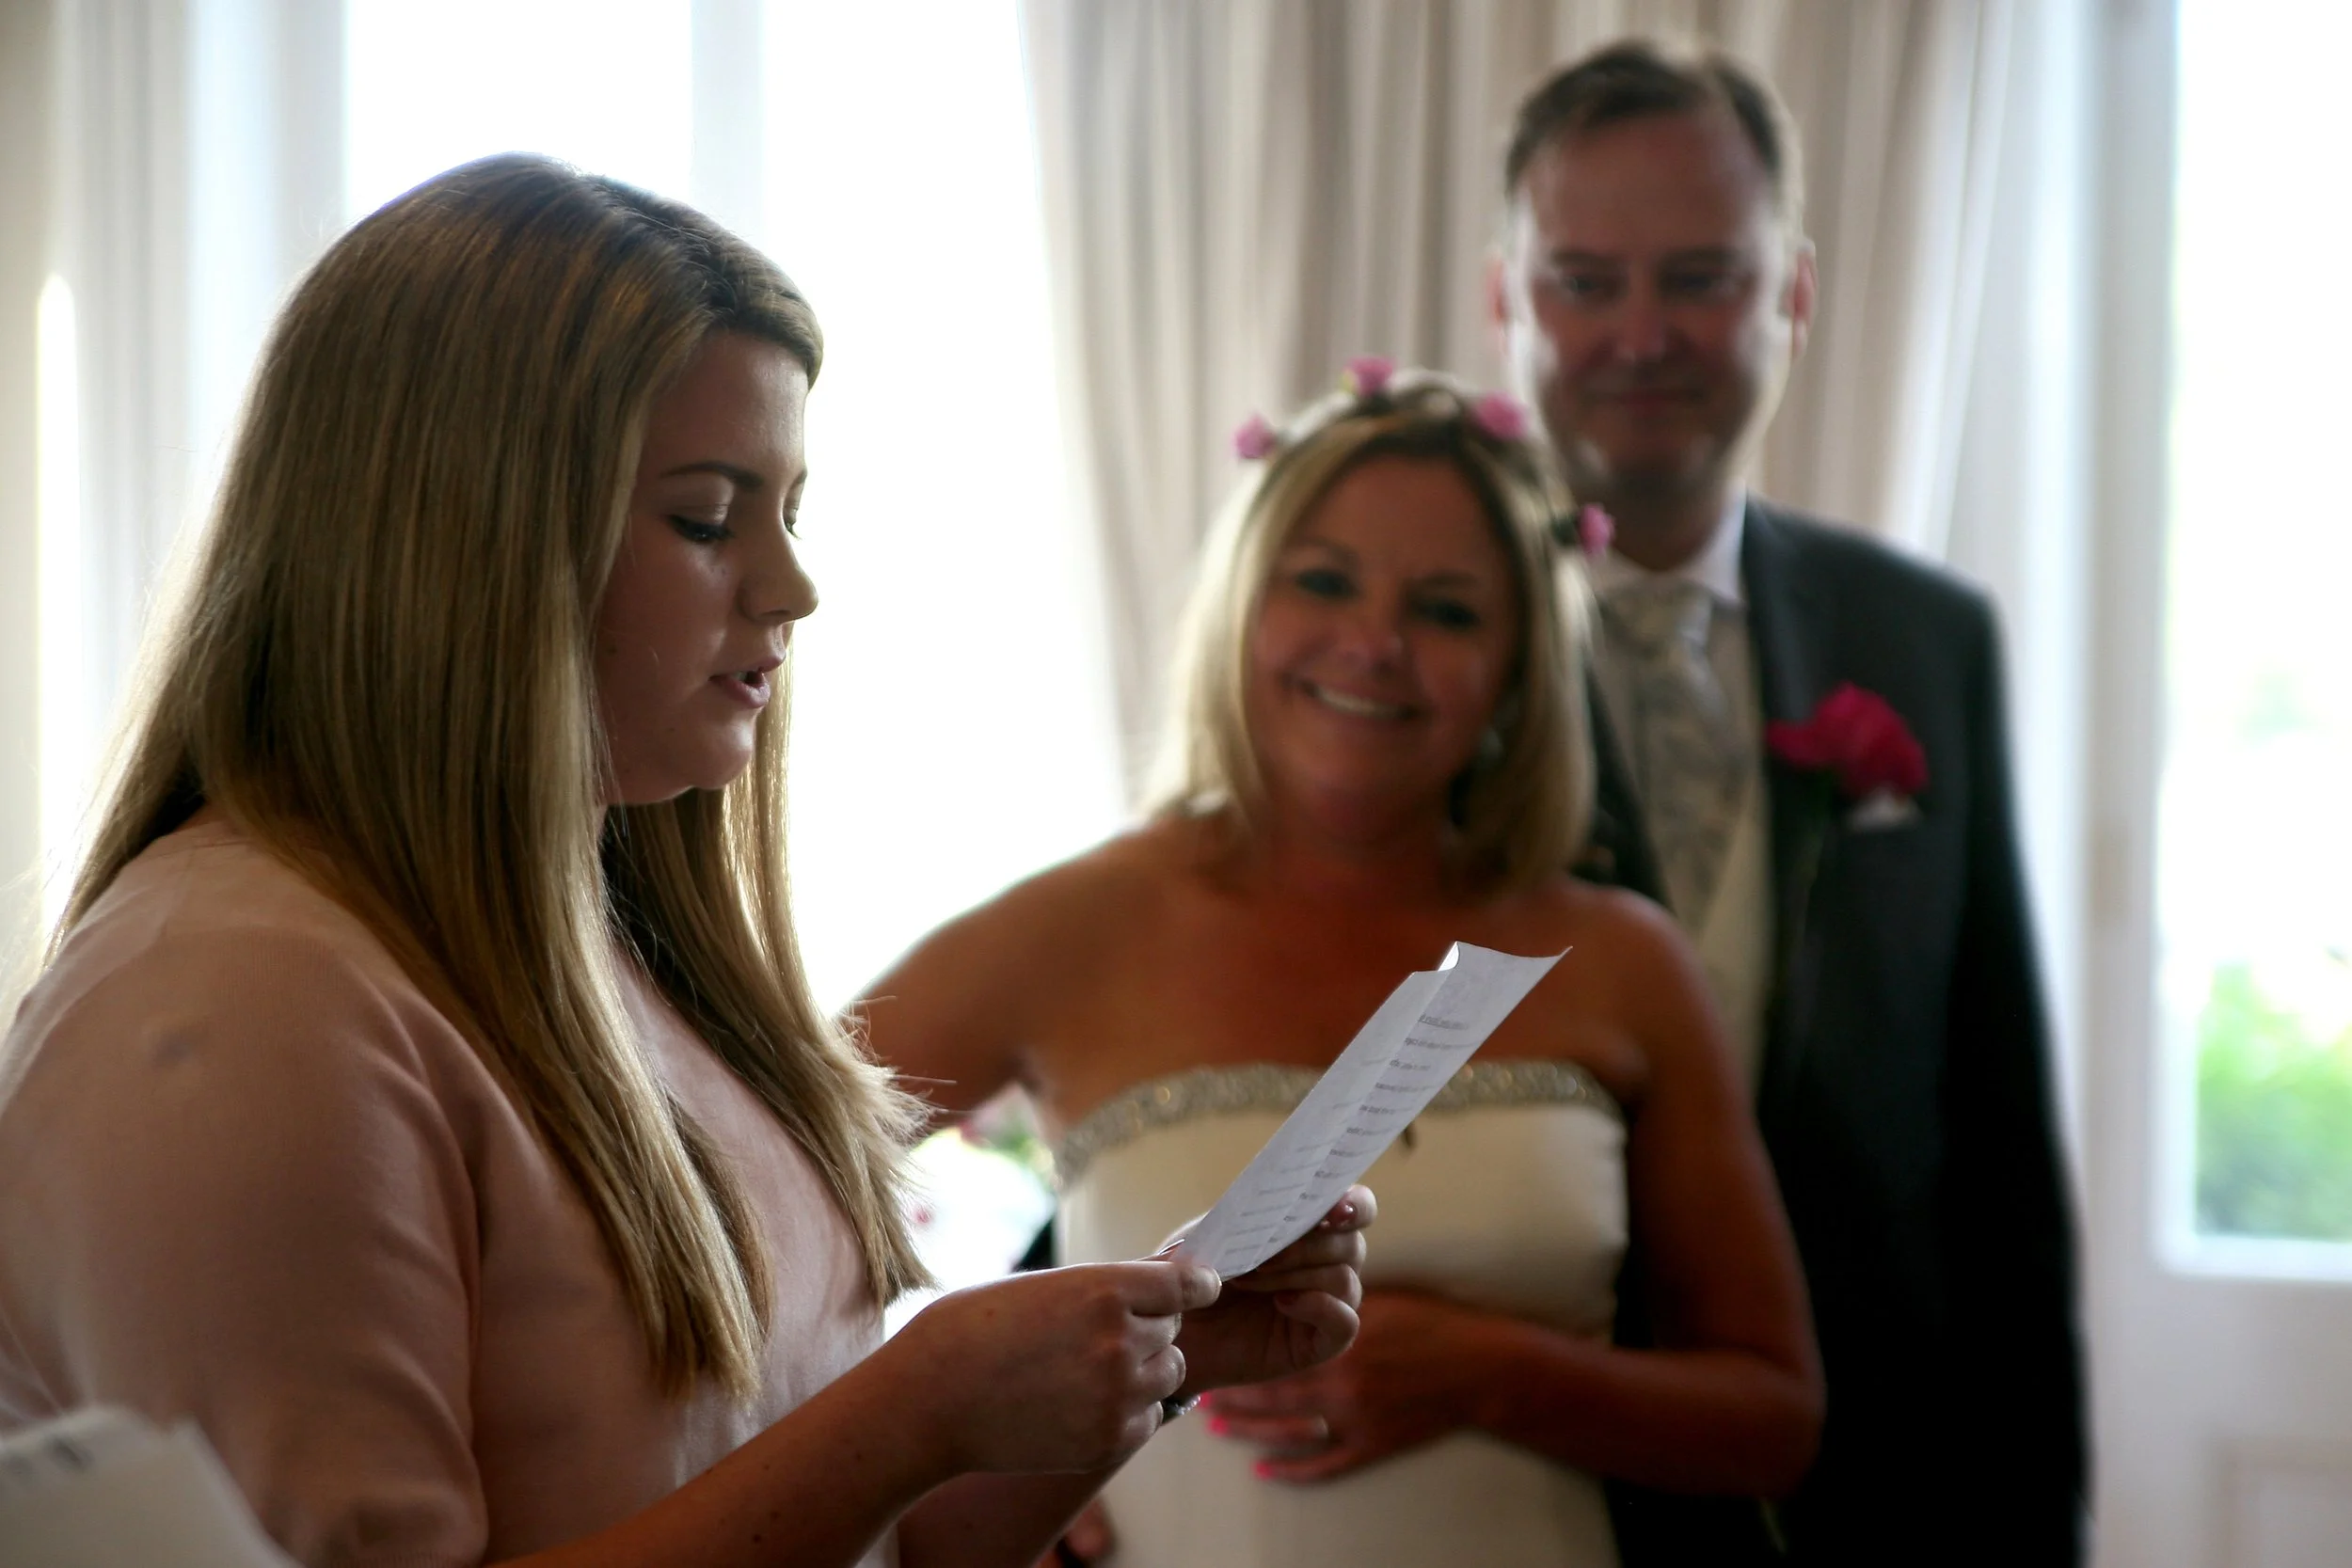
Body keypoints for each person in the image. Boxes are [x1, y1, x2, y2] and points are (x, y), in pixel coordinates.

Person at [0, 154, 1374, 1568]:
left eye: (791, 511)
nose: (793, 586)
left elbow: (860, 1540)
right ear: (465, 542)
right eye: (711, 516)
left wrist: (1145, 1362)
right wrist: (911, 1408)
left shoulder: (615, 952)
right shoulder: (237, 1000)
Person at [856, 368, 1822, 1568]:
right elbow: (736, 1218)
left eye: (1449, 609)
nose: (1374, 644)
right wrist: (956, 1452)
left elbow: (1774, 1421)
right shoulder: (1069, 928)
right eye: (1322, 582)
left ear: (1521, 667)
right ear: (1240, 605)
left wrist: (1488, 1372)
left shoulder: (1620, 960)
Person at [1488, 40, 2089, 1566]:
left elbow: (1996, 1131)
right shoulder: (1404, 646)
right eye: (1582, 279)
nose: (1641, 333)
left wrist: (2034, 1518)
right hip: (1511, 1475)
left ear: (1795, 295)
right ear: (1507, 299)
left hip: (1876, 1493)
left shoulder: (1924, 639)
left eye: (1700, 275)